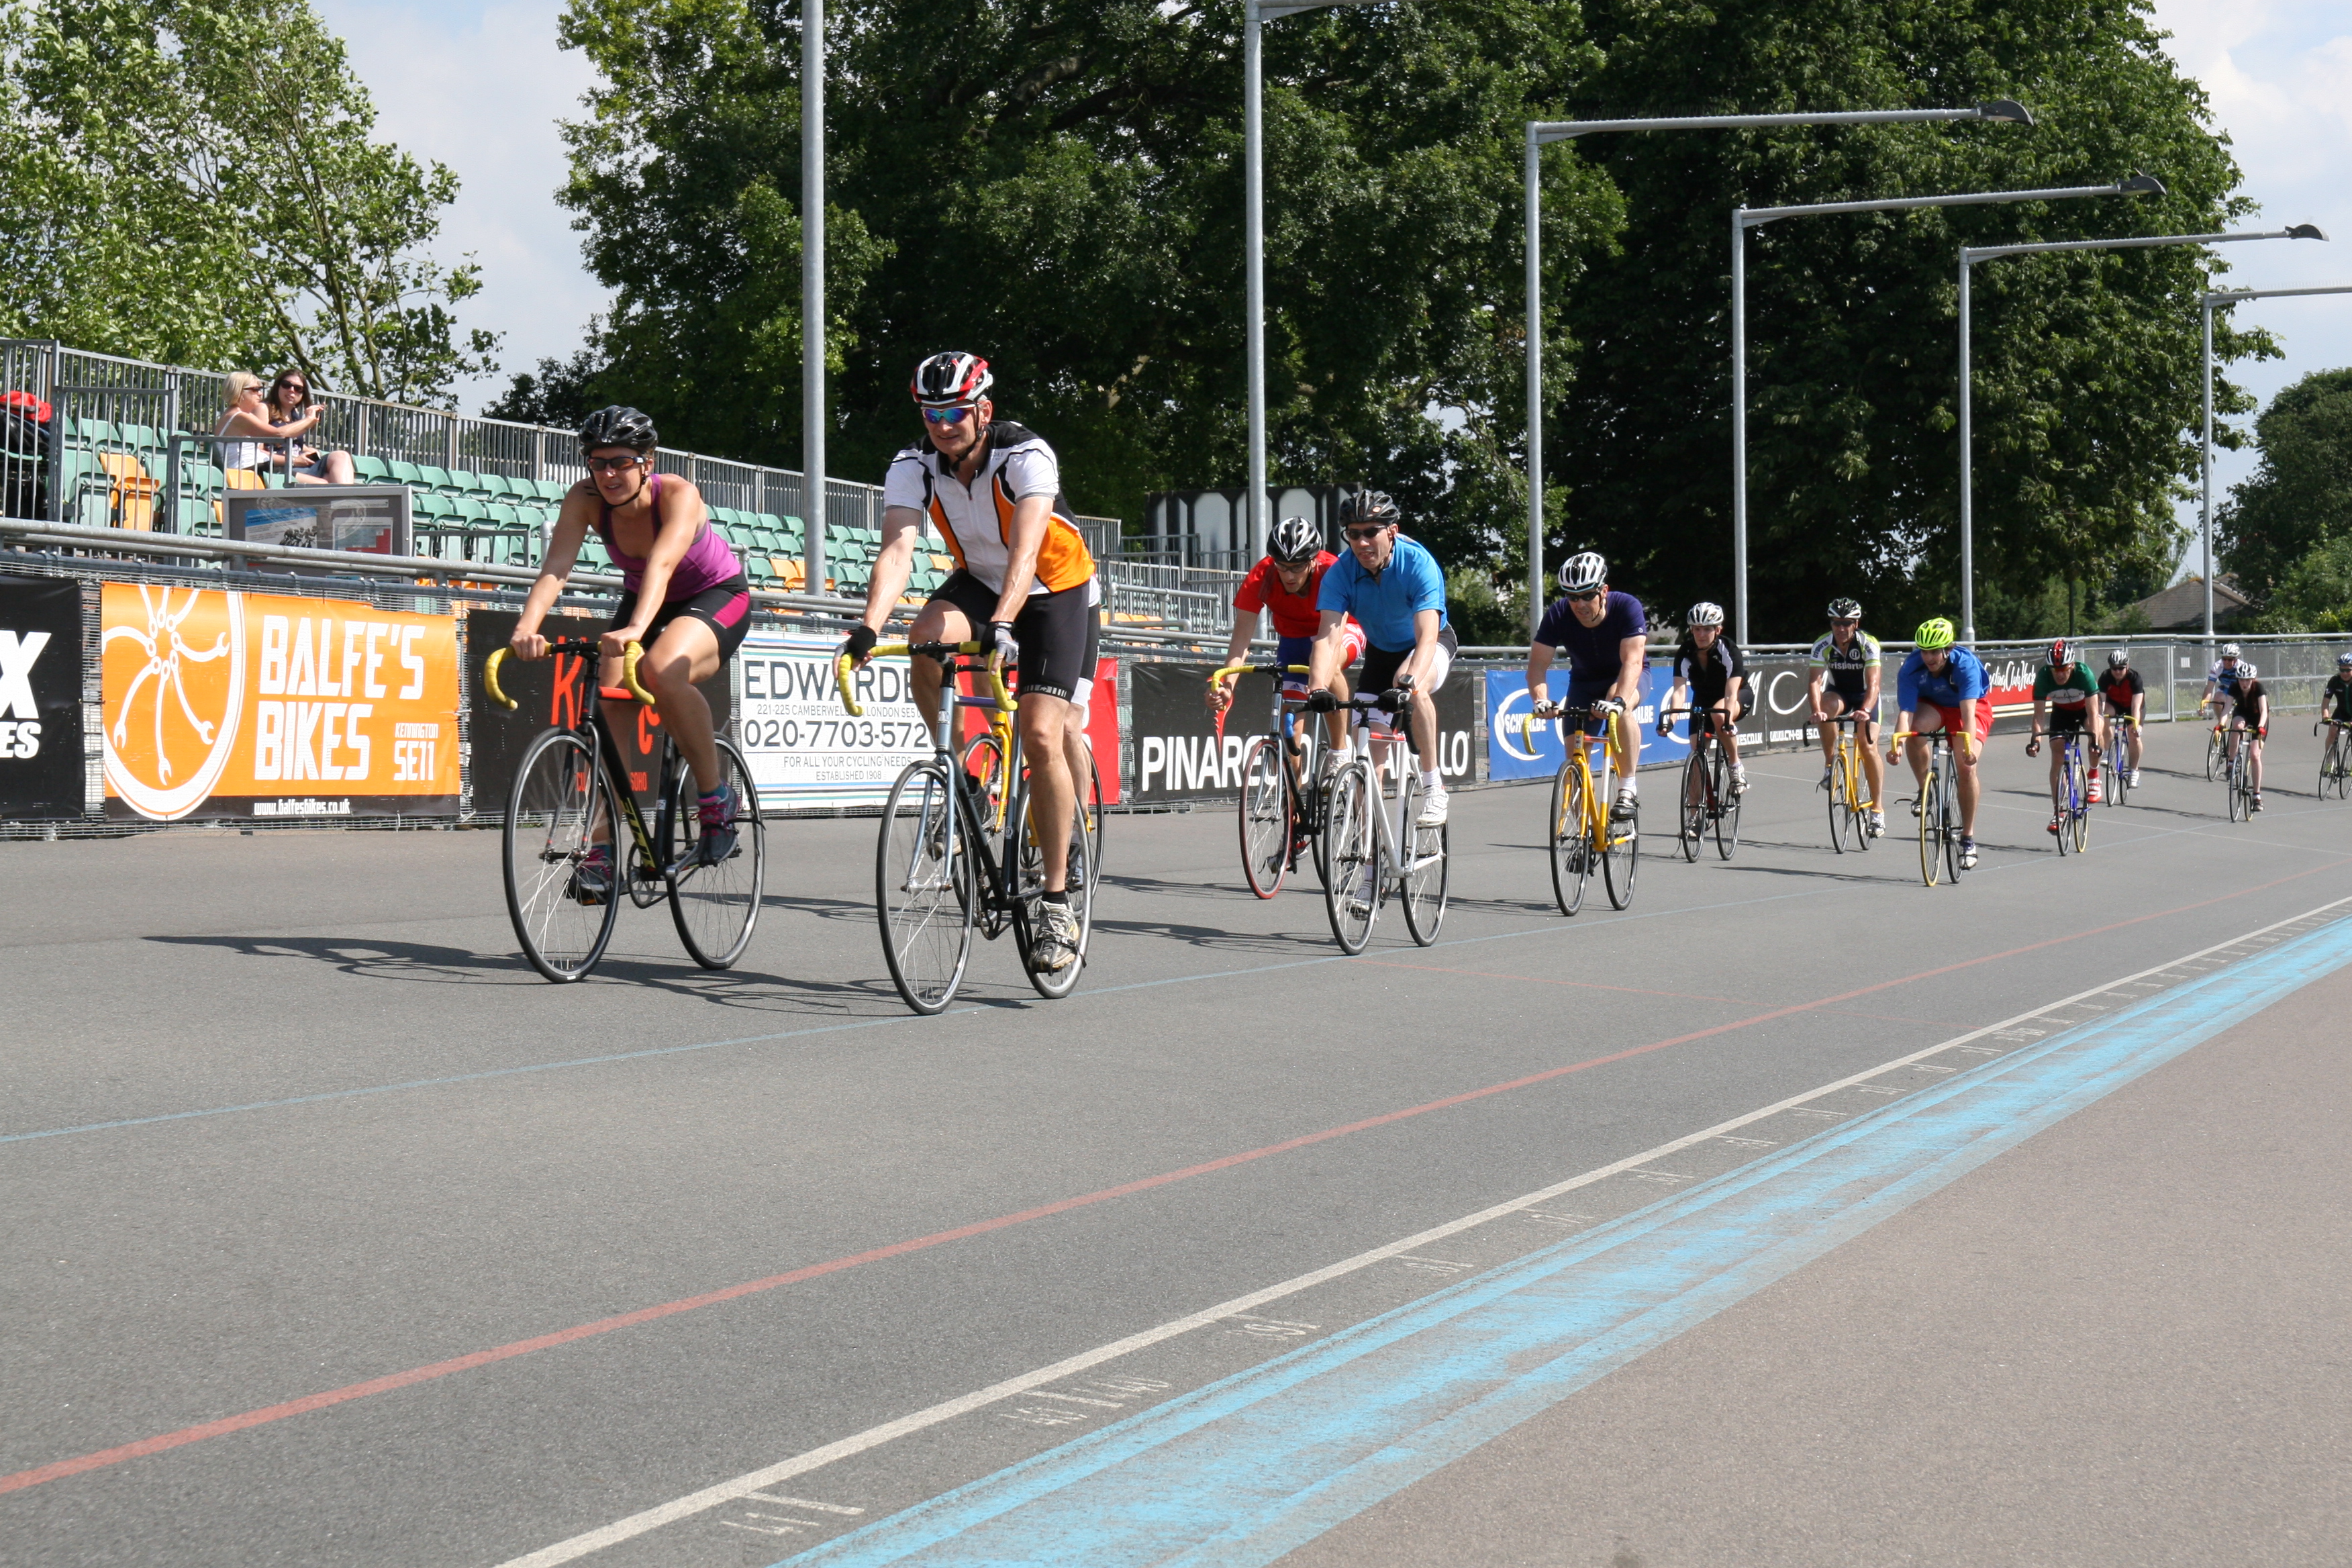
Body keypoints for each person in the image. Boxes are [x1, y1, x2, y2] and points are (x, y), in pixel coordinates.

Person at [840, 352, 1097, 973]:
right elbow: (898, 549)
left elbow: (1028, 549)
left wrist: (1006, 624)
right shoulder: (912, 464)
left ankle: (1058, 902)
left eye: (955, 412)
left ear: (983, 410)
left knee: (1044, 731)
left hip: (1056, 589)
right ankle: (967, 784)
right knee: (927, 637)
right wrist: (868, 628)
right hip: (981, 580)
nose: (943, 425)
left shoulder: (1025, 456)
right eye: (931, 414)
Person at [509, 406, 749, 895]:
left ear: (647, 462)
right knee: (604, 710)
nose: (608, 475)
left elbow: (662, 563)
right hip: (644, 598)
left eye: (620, 462)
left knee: (661, 671)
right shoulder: (585, 499)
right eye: (597, 463)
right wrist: (526, 628)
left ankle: (716, 798)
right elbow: (557, 567)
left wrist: (639, 628)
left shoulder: (679, 494)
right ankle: (601, 849)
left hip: (715, 594)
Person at [1305, 489, 1454, 826]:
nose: (1362, 542)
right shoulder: (1341, 574)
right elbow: (1328, 637)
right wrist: (1315, 688)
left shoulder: (1418, 563)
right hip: (1380, 653)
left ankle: (1434, 787)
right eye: (1353, 534)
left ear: (1392, 531)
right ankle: (1370, 855)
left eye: (1371, 532)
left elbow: (1427, 635)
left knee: (1412, 687)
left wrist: (1408, 683)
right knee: (1366, 756)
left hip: (1428, 644)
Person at [1210, 514, 1365, 763]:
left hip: (1339, 631)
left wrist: (1318, 683)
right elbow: (1240, 642)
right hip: (1293, 640)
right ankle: (1291, 799)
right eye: (1282, 566)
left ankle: (1339, 752)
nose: (1289, 575)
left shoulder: (1331, 570)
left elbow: (1331, 638)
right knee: (1289, 735)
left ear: (1313, 561)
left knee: (1328, 660)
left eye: (1297, 567)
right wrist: (1228, 687)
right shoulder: (1262, 576)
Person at [1526, 550, 1645, 819]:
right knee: (1576, 759)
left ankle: (1628, 788)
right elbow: (1537, 667)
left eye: (1588, 595)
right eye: (1572, 597)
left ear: (1604, 591)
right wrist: (1540, 699)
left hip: (1624, 677)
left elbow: (1633, 662)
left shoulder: (1627, 606)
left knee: (1620, 704)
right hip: (1584, 682)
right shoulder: (1558, 613)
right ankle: (1583, 837)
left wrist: (1618, 702)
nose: (1580, 604)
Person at [1890, 616, 1989, 871]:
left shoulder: (1964, 665)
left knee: (1966, 767)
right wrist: (1897, 746)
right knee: (1914, 732)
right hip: (1933, 705)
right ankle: (1925, 791)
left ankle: (1968, 838)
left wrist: (1967, 749)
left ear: (1948, 649)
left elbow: (1968, 713)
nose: (1929, 658)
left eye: (1934, 652)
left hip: (1967, 708)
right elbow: (1906, 713)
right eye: (1924, 651)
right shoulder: (1911, 667)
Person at [1661, 602, 1746, 824]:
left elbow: (1730, 694)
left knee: (1719, 714)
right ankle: (1693, 818)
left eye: (1707, 629)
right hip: (1703, 698)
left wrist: (1727, 720)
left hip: (1734, 696)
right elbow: (1679, 691)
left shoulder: (1729, 650)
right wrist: (1670, 720)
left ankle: (1736, 766)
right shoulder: (1686, 651)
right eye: (1696, 629)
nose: (1701, 634)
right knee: (1696, 755)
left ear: (1718, 630)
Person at [1806, 597, 1884, 835]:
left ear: (1856, 624)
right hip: (1839, 693)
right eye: (1836, 623)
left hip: (1865, 697)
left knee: (1867, 746)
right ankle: (1831, 765)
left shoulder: (1868, 644)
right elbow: (1815, 681)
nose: (1841, 628)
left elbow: (1874, 684)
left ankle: (1878, 811)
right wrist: (1817, 710)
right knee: (1826, 707)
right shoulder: (1822, 644)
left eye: (1846, 623)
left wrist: (1866, 710)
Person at [2025, 638, 2107, 834]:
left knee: (2094, 733)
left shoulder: (2084, 673)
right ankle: (2058, 811)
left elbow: (2093, 712)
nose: (2060, 674)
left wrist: (2094, 741)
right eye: (2056, 670)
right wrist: (2036, 742)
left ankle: (2094, 773)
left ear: (2072, 666)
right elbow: (2038, 716)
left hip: (2085, 711)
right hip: (2061, 713)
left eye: (2063, 670)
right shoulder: (2043, 677)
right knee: (2057, 756)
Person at [262, 369, 357, 485]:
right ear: (278, 387)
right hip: (279, 468)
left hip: (300, 465)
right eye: (286, 385)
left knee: (341, 456)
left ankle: (348, 500)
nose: (292, 390)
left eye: (298, 389)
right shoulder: (264, 409)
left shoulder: (294, 414)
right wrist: (293, 461)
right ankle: (347, 501)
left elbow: (295, 444)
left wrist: (310, 451)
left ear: (303, 394)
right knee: (327, 482)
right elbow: (256, 451)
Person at [2098, 648, 2146, 787]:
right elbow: (2102, 702)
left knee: (2133, 734)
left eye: (2121, 668)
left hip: (2133, 706)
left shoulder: (2135, 678)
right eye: (2114, 668)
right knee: (2103, 716)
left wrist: (2137, 726)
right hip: (2115, 704)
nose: (2118, 671)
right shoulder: (2105, 677)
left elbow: (2136, 707)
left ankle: (2134, 770)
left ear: (2127, 667)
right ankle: (2107, 750)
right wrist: (2100, 720)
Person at [2226, 668, 2269, 812]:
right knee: (2236, 726)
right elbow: (2227, 708)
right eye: (2241, 680)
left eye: (2247, 680)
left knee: (2254, 755)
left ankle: (2257, 796)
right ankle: (2231, 762)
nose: (2244, 683)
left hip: (2259, 719)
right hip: (2242, 715)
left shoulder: (2259, 688)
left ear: (2253, 680)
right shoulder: (2234, 687)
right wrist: (2221, 724)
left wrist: (2261, 726)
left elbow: (2264, 711)